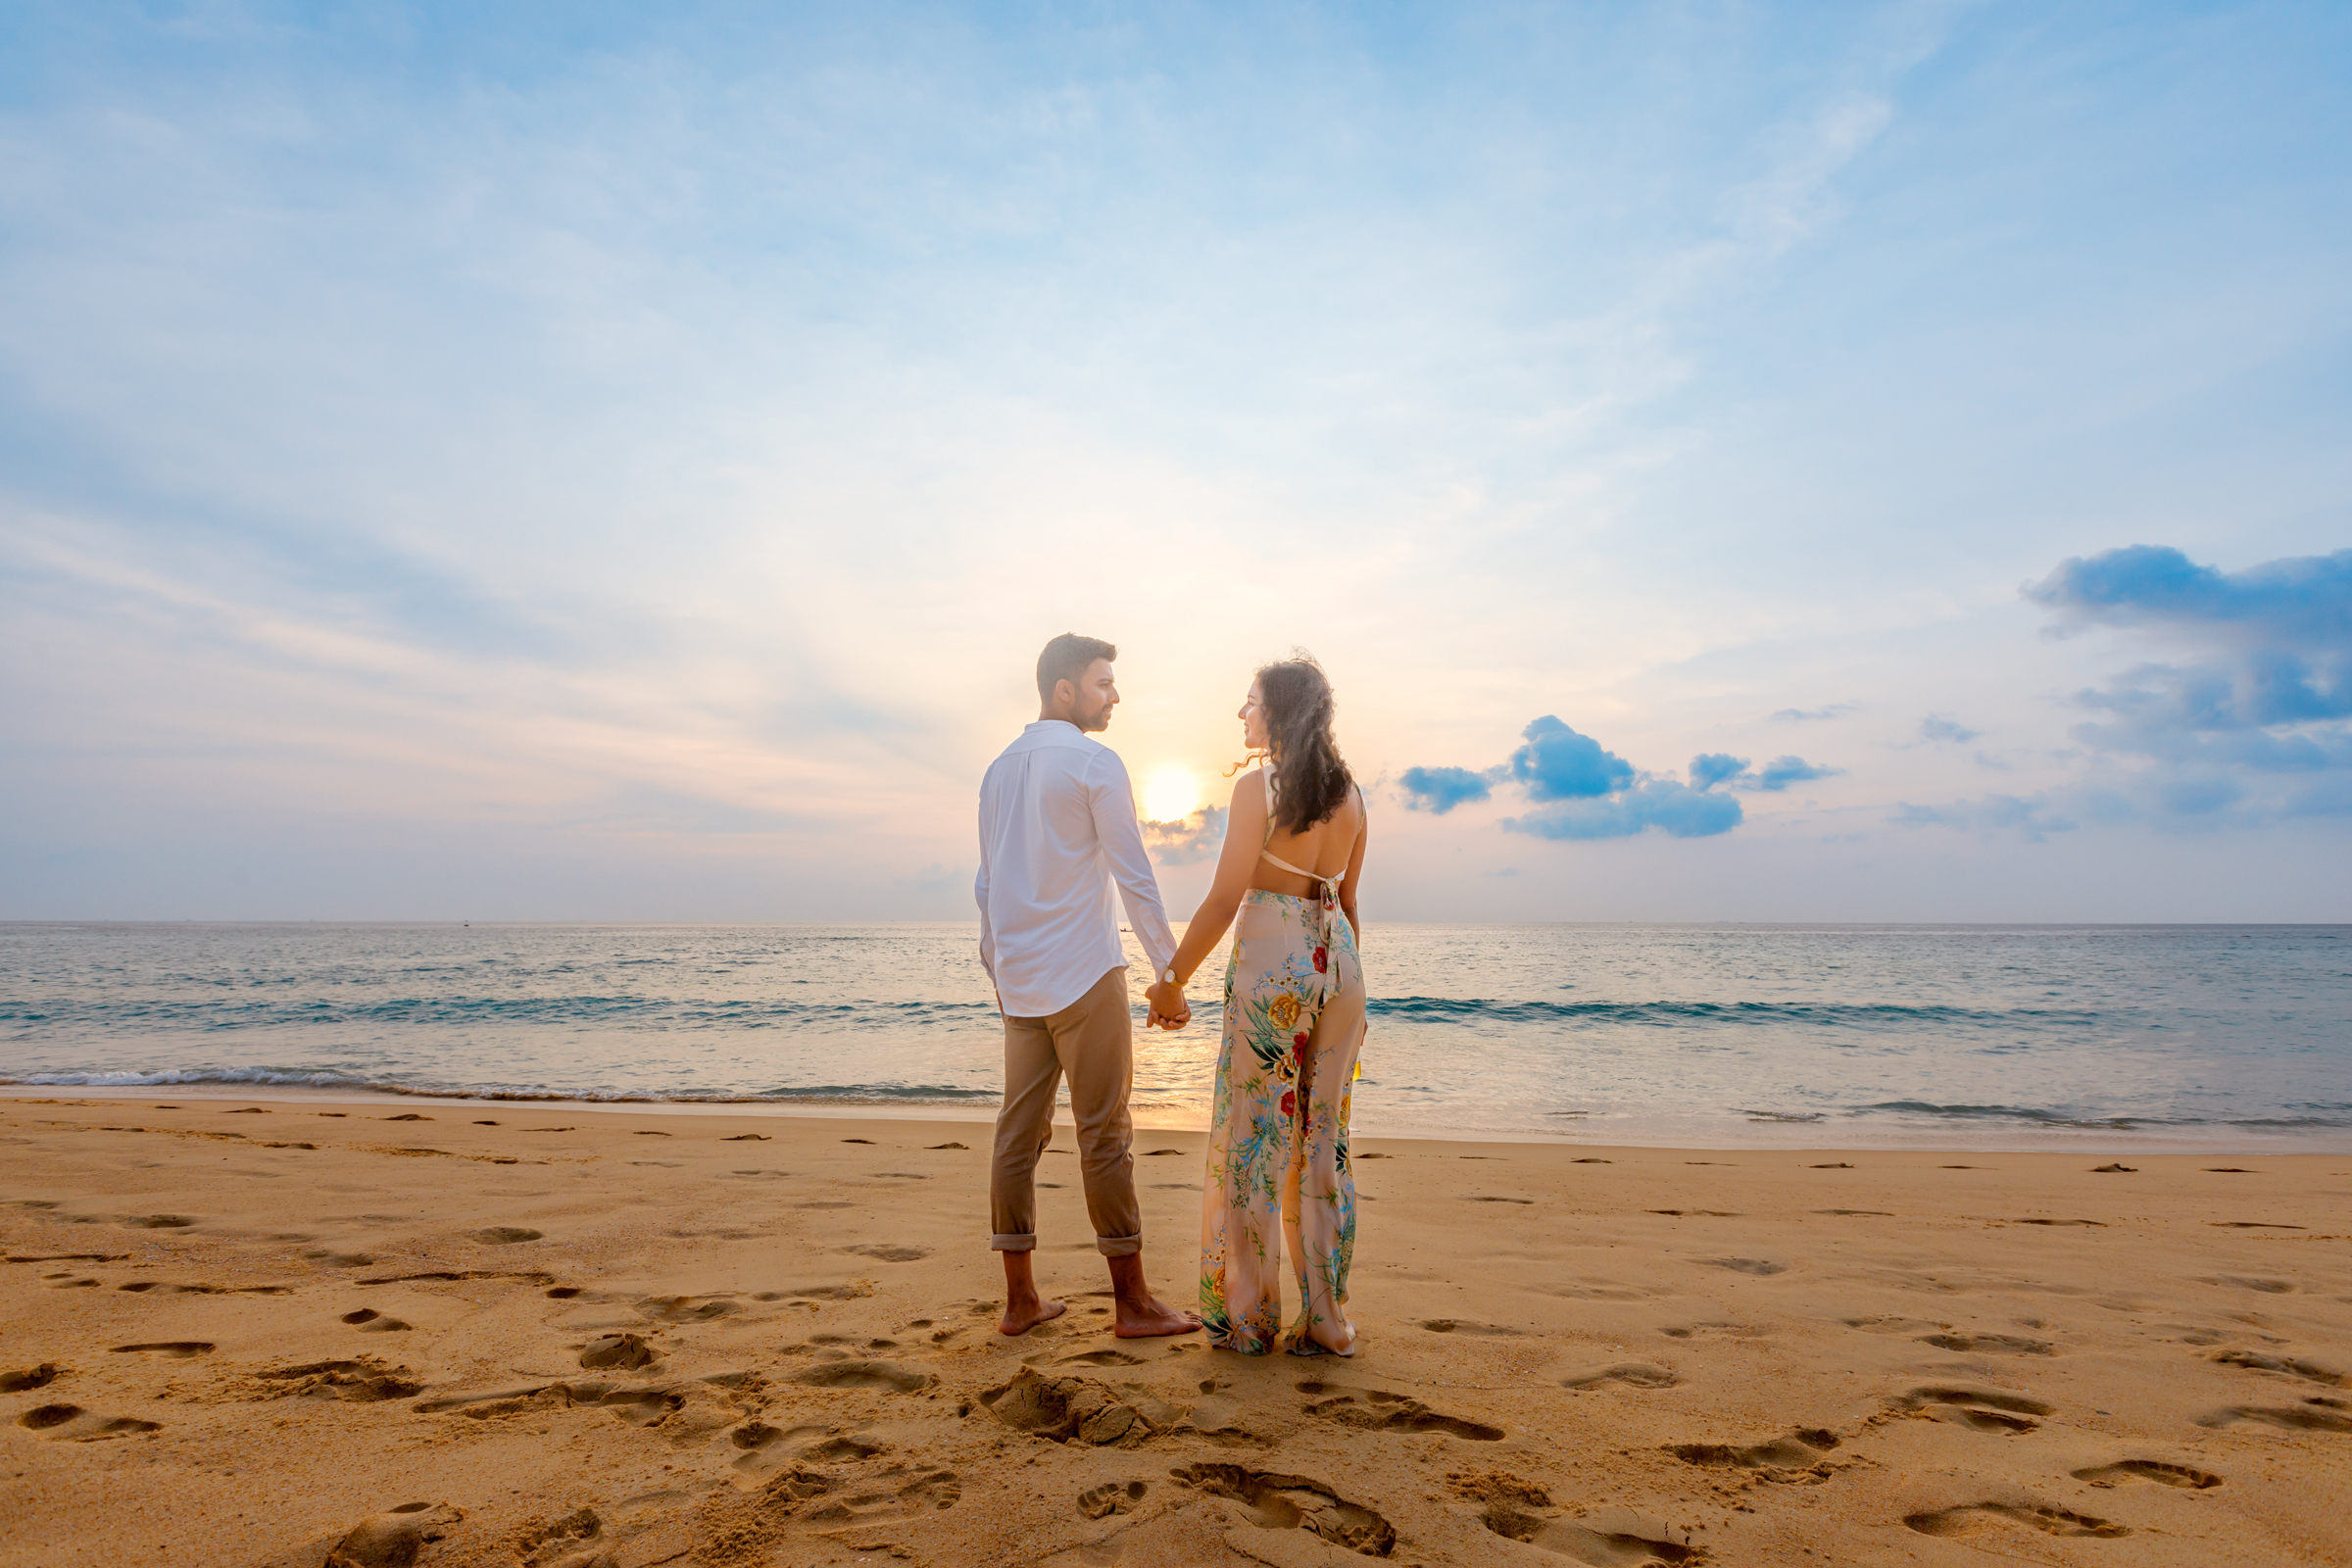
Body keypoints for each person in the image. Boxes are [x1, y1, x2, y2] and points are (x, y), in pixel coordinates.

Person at [976, 633, 1201, 1340]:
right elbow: (1134, 875)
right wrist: (1169, 974)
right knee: (1105, 1133)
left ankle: (1020, 1301)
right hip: (1083, 973)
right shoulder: (1094, 762)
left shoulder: (997, 770)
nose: (1115, 696)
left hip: (1021, 982)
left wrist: (998, 968)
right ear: (1064, 690)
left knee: (1017, 1135)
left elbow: (987, 882)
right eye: (1104, 684)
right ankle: (1132, 1304)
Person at [1146, 654, 1367, 1356]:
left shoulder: (1259, 787)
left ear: (1279, 710)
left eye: (1251, 701)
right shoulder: (1352, 794)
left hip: (1276, 965)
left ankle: (1248, 1321)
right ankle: (1327, 1318)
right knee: (1323, 1140)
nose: (1242, 712)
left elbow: (1223, 898)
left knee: (1255, 1140)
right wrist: (1344, 988)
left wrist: (1171, 980)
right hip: (1341, 967)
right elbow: (1349, 903)